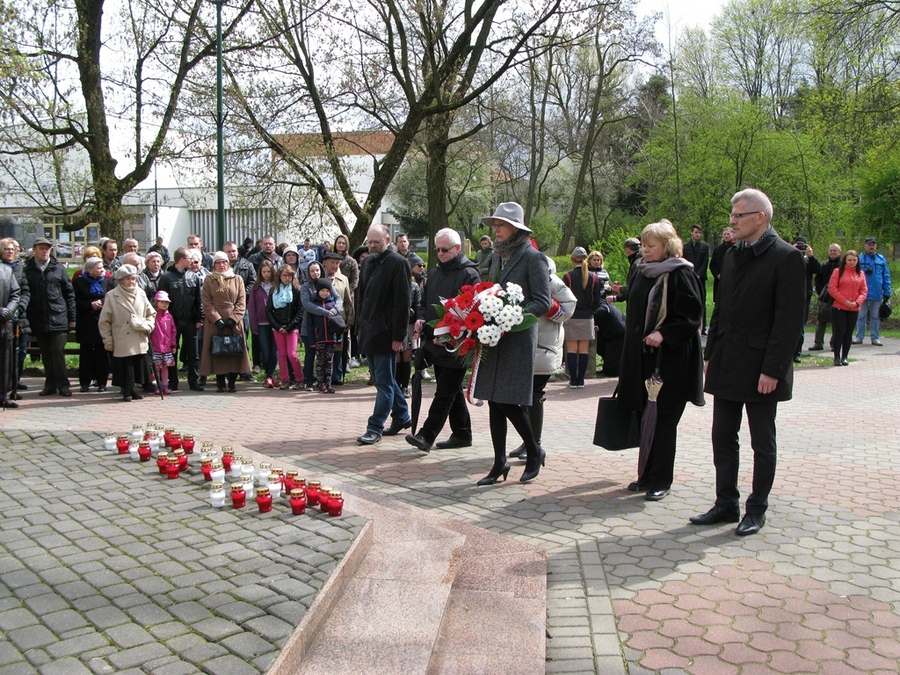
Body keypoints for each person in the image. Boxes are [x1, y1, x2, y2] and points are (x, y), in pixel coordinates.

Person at [694, 188, 806, 536]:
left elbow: (789, 321)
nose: (731, 221)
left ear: (761, 218)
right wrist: (710, 355)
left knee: (762, 441)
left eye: (738, 215)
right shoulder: (731, 254)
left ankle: (756, 509)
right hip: (728, 360)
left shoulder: (787, 257)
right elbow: (722, 310)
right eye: (731, 214)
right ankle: (726, 503)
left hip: (762, 368)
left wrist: (773, 369)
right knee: (722, 435)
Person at [618, 220, 705, 501]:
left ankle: (661, 479)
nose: (645, 249)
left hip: (669, 362)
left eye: (651, 245)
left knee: (665, 421)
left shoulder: (680, 273)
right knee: (646, 418)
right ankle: (646, 474)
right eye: (643, 244)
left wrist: (664, 334)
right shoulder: (642, 271)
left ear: (667, 246)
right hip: (642, 360)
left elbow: (692, 317)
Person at [473, 202, 552, 484]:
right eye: (494, 224)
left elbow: (543, 301)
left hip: (517, 339)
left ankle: (533, 451)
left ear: (516, 228)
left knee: (508, 401)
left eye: (500, 224)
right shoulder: (496, 257)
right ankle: (499, 463)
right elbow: (490, 291)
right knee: (495, 401)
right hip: (493, 339)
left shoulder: (534, 258)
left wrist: (510, 319)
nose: (495, 229)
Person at [405, 229, 480, 453]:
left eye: (444, 249)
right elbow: (425, 302)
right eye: (437, 249)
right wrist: (420, 318)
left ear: (457, 249)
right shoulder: (435, 274)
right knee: (452, 389)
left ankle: (426, 435)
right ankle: (462, 433)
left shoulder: (470, 273)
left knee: (445, 391)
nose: (440, 253)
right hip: (436, 340)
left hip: (458, 342)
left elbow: (474, 307)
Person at [508, 257, 576, 460]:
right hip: (524, 343)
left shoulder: (553, 281)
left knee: (535, 394)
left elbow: (569, 308)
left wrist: (547, 306)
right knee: (524, 395)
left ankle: (534, 444)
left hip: (545, 344)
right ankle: (528, 441)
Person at [355, 225, 411, 445]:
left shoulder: (399, 263)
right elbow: (362, 298)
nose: (372, 245)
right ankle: (402, 416)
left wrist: (398, 337)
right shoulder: (367, 262)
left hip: (387, 333)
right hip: (369, 330)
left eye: (376, 242)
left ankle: (375, 427)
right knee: (383, 378)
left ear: (388, 239)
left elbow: (402, 302)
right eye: (369, 242)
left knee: (383, 383)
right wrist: (359, 327)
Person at [24, 238, 76, 397]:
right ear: (34, 250)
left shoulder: (58, 269)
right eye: (41, 248)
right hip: (39, 318)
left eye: (47, 248)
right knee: (46, 353)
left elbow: (69, 294)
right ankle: (50, 384)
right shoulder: (28, 270)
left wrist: (72, 317)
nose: (44, 251)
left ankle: (63, 385)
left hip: (58, 317)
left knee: (58, 351)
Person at [98, 265, 156, 402]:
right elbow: (104, 320)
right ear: (120, 280)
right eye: (128, 279)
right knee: (125, 365)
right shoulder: (112, 295)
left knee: (137, 364)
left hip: (138, 335)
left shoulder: (141, 293)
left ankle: (133, 389)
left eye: (133, 279)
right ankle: (126, 390)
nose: (131, 282)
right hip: (122, 336)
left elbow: (151, 312)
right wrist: (108, 339)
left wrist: (148, 325)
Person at [200, 252, 250, 392]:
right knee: (218, 351)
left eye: (224, 262)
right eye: (218, 262)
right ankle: (221, 383)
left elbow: (241, 301)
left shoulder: (237, 278)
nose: (221, 265)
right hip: (214, 322)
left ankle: (233, 383)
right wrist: (217, 320)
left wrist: (233, 319)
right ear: (214, 264)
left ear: (228, 263)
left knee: (234, 350)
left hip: (234, 321)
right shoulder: (209, 280)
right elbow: (207, 302)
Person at [157, 247, 204, 391]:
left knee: (193, 353)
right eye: (190, 258)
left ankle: (194, 381)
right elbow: (161, 300)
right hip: (173, 322)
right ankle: (172, 381)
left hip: (190, 321)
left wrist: (199, 318)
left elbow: (198, 300)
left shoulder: (193, 276)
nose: (192, 261)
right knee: (172, 352)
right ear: (182, 259)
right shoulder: (166, 277)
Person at [563, 246, 603, 388]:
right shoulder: (594, 277)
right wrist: (591, 310)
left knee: (572, 350)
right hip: (587, 316)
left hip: (572, 315)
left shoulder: (568, 276)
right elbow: (598, 299)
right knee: (584, 350)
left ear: (572, 260)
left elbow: (563, 297)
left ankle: (573, 380)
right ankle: (581, 380)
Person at [72, 257, 111, 393]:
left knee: (102, 354)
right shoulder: (79, 282)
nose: (102, 270)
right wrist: (90, 305)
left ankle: (102, 382)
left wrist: (101, 301)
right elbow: (74, 301)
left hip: (103, 322)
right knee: (86, 354)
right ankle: (85, 382)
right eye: (99, 268)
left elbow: (110, 297)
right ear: (90, 270)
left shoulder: (107, 281)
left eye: (102, 267)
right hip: (86, 322)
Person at [266, 264, 305, 391]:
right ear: (279, 276)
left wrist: (289, 327)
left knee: (292, 354)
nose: (287, 278)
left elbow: (300, 311)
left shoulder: (296, 290)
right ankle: (285, 379)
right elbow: (269, 311)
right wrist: (278, 326)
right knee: (281, 354)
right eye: (284, 275)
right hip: (277, 327)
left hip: (291, 327)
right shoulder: (273, 290)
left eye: (289, 275)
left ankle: (300, 379)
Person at [223, 240, 256, 381]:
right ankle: (224, 371)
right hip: (224, 309)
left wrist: (239, 294)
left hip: (243, 308)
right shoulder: (219, 267)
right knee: (224, 340)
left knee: (242, 339)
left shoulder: (247, 265)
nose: (232, 253)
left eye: (234, 251)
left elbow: (253, 283)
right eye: (229, 251)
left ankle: (244, 371)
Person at [0, 237, 30, 395]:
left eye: (12, 249)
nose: (10, 252)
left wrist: (15, 309)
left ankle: (12, 386)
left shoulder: (19, 269)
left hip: (17, 317)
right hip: (3, 319)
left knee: (16, 353)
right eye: (6, 249)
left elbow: (21, 292)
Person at [828, 250, 867, 366]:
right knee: (839, 332)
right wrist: (845, 301)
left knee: (848, 333)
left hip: (854, 308)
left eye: (854, 260)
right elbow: (832, 288)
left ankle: (845, 356)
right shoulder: (838, 271)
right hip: (839, 307)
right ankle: (836, 356)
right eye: (849, 260)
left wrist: (857, 302)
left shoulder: (861, 274)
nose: (852, 262)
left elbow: (864, 291)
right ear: (845, 260)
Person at [322, 251, 354, 385]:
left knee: (338, 348)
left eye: (337, 263)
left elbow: (348, 301)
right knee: (323, 348)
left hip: (339, 319)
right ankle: (322, 375)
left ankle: (336, 374)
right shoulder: (319, 278)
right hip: (322, 318)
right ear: (325, 263)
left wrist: (350, 320)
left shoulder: (343, 279)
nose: (335, 266)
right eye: (332, 263)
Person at [854, 237, 892, 346]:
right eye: (869, 244)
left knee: (875, 316)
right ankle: (859, 337)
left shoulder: (881, 259)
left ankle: (875, 337)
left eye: (873, 244)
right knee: (861, 315)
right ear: (865, 245)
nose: (871, 246)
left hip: (876, 292)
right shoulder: (859, 258)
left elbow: (886, 276)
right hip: (862, 293)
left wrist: (887, 291)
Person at [396, 253, 424, 398]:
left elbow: (418, 305)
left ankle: (404, 386)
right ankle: (396, 386)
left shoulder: (414, 286)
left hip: (410, 324)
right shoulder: (393, 284)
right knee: (396, 357)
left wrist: (418, 324)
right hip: (395, 324)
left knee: (406, 356)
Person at [310, 277, 342, 394]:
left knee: (329, 361)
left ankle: (328, 383)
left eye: (327, 291)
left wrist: (338, 339)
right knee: (320, 361)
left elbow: (339, 324)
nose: (325, 293)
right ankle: (320, 383)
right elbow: (310, 324)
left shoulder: (333, 305)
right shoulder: (314, 305)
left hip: (331, 339)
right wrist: (312, 340)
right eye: (322, 290)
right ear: (318, 291)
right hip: (319, 339)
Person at [250, 260, 279, 387]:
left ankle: (269, 376)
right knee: (265, 351)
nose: (266, 274)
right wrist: (253, 325)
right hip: (262, 323)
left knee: (275, 351)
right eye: (264, 272)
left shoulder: (277, 285)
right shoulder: (256, 288)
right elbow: (251, 307)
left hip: (276, 323)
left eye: (268, 271)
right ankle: (270, 375)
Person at [792, 237, 820, 362]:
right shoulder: (788, 256)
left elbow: (818, 270)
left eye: (803, 247)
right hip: (790, 294)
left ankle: (797, 352)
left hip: (805, 295)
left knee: (801, 325)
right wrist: (791, 252)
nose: (801, 249)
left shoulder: (808, 260)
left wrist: (811, 256)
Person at [809, 244, 842, 351]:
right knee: (821, 321)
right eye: (831, 250)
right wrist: (821, 292)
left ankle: (834, 344)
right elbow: (817, 279)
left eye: (835, 251)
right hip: (824, 298)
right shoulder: (824, 265)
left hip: (838, 298)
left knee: (836, 322)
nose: (832, 252)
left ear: (840, 252)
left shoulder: (842, 266)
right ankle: (818, 343)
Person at [0, 253, 21, 408]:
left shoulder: (7, 271)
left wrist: (8, 310)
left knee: (5, 361)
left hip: (4, 324)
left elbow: (16, 294)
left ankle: (3, 396)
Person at [682, 225, 710, 334]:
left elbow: (705, 263)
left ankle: (703, 327)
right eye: (695, 232)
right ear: (691, 233)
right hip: (689, 277)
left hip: (700, 278)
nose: (697, 234)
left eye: (699, 232)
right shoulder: (685, 246)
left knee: (702, 301)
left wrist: (698, 275)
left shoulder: (704, 246)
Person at [149, 291, 177, 394]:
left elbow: (173, 331)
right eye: (162, 302)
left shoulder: (169, 317)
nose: (165, 304)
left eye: (167, 302)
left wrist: (173, 345)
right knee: (156, 368)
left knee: (165, 368)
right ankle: (157, 385)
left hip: (167, 348)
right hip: (156, 347)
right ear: (156, 302)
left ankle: (165, 385)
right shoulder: (153, 315)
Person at [593, 298, 625, 377]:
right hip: (611, 334)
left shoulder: (601, 304)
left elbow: (604, 310)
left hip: (618, 334)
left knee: (611, 371)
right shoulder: (603, 303)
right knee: (599, 345)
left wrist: (589, 317)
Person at [609, 237, 642, 303]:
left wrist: (621, 289)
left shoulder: (637, 264)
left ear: (627, 250)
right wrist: (616, 298)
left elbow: (636, 288)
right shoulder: (638, 261)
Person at [709, 227, 735, 303]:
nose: (726, 236)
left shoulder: (736, 248)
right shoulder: (717, 249)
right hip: (719, 280)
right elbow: (712, 265)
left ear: (732, 235)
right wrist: (717, 274)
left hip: (732, 279)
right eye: (725, 234)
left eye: (728, 234)